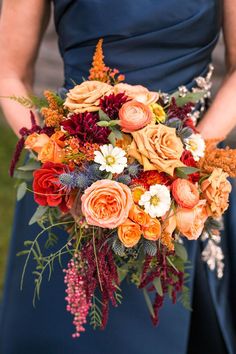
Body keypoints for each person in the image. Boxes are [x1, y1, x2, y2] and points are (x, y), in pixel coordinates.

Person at [0, 1, 235, 353]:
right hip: (73, 185)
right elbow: (9, 73)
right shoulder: (67, 169)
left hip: (181, 186)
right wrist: (55, 153)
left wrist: (187, 158)